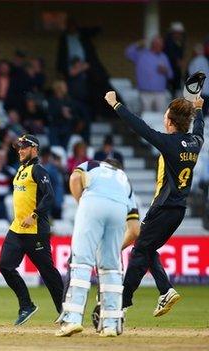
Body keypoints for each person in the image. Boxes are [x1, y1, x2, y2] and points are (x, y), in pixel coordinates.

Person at [104, 90, 204, 317]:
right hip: (177, 210)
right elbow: (200, 130)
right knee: (147, 248)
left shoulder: (169, 143)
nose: (163, 119)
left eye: (165, 116)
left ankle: (122, 301)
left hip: (163, 207)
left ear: (170, 121)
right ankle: (165, 289)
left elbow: (140, 127)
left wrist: (115, 105)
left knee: (140, 251)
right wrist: (198, 109)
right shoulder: (195, 142)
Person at [55, 159, 135, 337]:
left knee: (81, 262)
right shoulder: (124, 179)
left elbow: (75, 177)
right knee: (111, 268)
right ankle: (111, 324)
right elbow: (135, 230)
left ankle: (72, 320)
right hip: (119, 209)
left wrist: (82, 203)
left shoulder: (93, 165)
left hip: (93, 203)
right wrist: (114, 250)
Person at [0, 134, 64, 326]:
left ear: (34, 149)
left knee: (47, 271)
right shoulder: (21, 170)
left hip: (36, 230)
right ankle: (26, 305)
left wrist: (34, 215)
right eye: (19, 147)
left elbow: (50, 196)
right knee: (4, 265)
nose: (20, 150)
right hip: (17, 229)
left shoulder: (38, 169)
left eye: (24, 147)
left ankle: (65, 309)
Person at [125, 36, 173, 113]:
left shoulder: (164, 57)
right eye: (158, 44)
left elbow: (171, 74)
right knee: (146, 116)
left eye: (161, 44)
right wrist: (138, 44)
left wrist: (165, 71)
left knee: (161, 117)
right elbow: (128, 53)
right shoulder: (141, 54)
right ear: (153, 44)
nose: (160, 46)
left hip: (160, 92)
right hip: (145, 92)